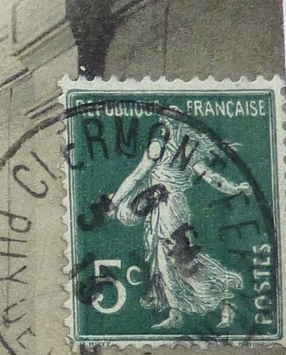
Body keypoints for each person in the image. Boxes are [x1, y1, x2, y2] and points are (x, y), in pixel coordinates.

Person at [107, 116, 254, 331]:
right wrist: (234, 188)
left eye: (164, 123)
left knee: (182, 262)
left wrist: (115, 201)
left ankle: (223, 296)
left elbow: (137, 175)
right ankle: (176, 313)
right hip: (172, 207)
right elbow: (212, 178)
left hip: (167, 207)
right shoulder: (190, 150)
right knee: (167, 262)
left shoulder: (158, 147)